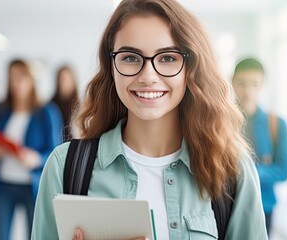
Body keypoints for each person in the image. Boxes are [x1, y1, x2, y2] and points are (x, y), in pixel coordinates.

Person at [31, 0, 268, 239]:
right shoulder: (64, 167)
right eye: (130, 58)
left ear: (191, 67)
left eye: (167, 58)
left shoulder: (232, 170)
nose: (148, 76)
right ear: (111, 66)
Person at [0, 59, 63, 240]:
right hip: (2, 185)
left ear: (31, 80)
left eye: (20, 77)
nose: (15, 83)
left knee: (36, 235)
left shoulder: (47, 112)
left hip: (33, 186)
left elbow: (57, 154)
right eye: (11, 78)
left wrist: (37, 158)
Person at [232, 58, 287, 236]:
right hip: (228, 205)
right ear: (232, 82)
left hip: (264, 206)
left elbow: (283, 171)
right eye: (242, 83)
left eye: (254, 84)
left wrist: (246, 171)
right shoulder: (220, 122)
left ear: (262, 85)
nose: (248, 91)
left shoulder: (276, 124)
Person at [48, 65, 79, 141]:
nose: (64, 83)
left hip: (74, 144)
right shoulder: (51, 106)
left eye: (67, 79)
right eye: (62, 79)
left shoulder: (80, 105)